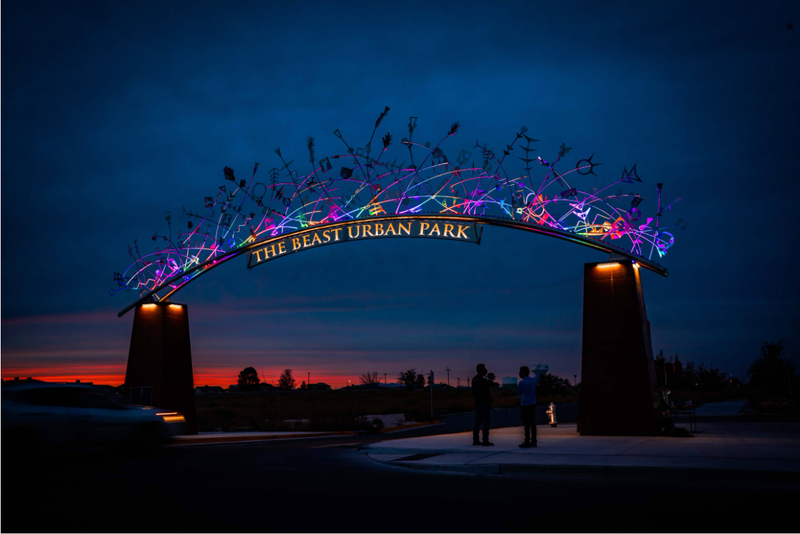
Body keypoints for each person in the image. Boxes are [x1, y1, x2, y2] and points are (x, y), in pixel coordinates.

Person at [516, 366, 539, 448]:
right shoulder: (533, 381)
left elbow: (518, 392)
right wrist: (538, 370)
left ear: (523, 373)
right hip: (532, 404)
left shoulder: (522, 382)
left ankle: (527, 441)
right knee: (532, 423)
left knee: (526, 424)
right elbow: (537, 377)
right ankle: (534, 440)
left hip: (524, 405)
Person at [471, 363, 493, 446]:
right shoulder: (483, 381)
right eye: (484, 369)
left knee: (477, 422)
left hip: (478, 403)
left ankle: (476, 440)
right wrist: (490, 400)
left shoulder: (474, 380)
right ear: (480, 370)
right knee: (486, 422)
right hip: (484, 403)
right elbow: (487, 392)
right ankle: (485, 440)